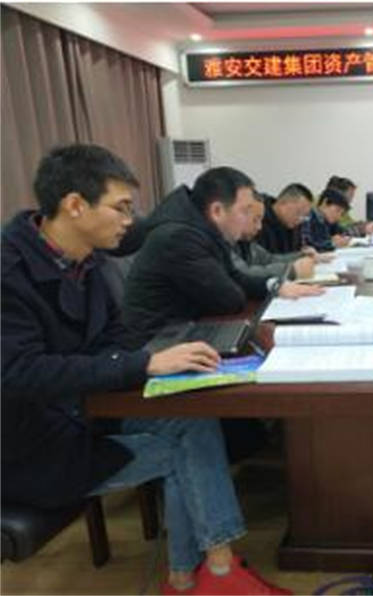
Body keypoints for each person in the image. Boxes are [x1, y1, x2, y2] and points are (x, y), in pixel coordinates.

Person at [1, 144, 291, 595]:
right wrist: (145, 363)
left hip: (85, 411)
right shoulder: (8, 272)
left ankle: (192, 576)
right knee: (187, 446)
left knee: (191, 415)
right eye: (120, 207)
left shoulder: (88, 261)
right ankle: (212, 573)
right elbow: (20, 373)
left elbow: (115, 339)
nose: (130, 220)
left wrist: (163, 367)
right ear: (75, 205)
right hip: (32, 443)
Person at [122, 168, 321, 348]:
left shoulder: (205, 229)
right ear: (217, 211)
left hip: (185, 330)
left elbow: (235, 276)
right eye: (245, 211)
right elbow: (228, 299)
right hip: (156, 347)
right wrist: (244, 285)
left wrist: (274, 286)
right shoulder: (180, 237)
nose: (248, 220)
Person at [232, 192, 319, 285]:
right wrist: (291, 270)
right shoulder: (225, 241)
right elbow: (243, 273)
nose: (259, 227)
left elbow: (268, 259)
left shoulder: (246, 240)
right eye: (255, 220)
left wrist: (301, 255)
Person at [258, 183, 315, 254]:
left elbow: (296, 250)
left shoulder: (293, 226)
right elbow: (265, 258)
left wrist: (304, 253)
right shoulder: (259, 222)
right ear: (283, 203)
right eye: (298, 212)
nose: (300, 220)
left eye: (304, 216)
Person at [303, 187, 352, 252]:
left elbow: (343, 231)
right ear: (325, 202)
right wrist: (332, 244)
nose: (338, 216)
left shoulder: (329, 221)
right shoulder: (308, 217)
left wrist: (343, 238)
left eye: (341, 213)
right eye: (337, 210)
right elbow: (308, 244)